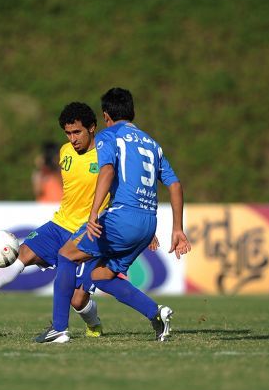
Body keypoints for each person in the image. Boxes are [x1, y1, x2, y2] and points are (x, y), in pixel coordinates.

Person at [34, 87, 191, 344]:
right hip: (148, 223)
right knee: (101, 276)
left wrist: (94, 213)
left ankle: (59, 329)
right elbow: (174, 184)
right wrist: (177, 229)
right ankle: (156, 313)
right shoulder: (152, 143)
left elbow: (106, 171)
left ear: (106, 116)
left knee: (66, 254)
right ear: (132, 112)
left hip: (120, 218)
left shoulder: (109, 136)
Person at [0, 102, 109, 337]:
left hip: (89, 232)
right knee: (22, 253)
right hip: (60, 224)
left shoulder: (107, 154)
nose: (72, 139)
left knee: (77, 300)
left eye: (77, 132)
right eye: (68, 133)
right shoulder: (65, 152)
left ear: (92, 127)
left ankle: (94, 324)